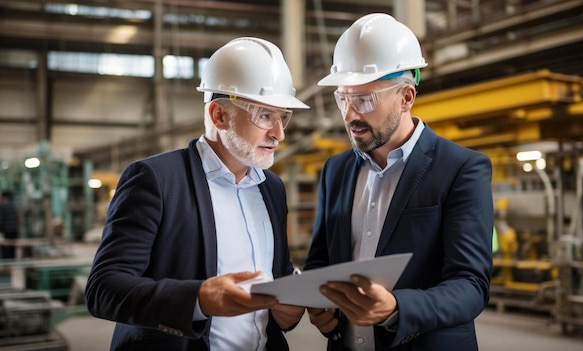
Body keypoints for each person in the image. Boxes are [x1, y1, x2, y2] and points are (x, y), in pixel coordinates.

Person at [85, 37, 309, 350]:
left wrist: (290, 309)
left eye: (283, 116)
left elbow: (279, 277)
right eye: (264, 115)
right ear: (219, 115)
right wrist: (199, 299)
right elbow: (103, 289)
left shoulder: (271, 188)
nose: (279, 134)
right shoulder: (157, 180)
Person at [304, 13, 494, 351]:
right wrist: (320, 302)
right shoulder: (335, 170)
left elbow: (470, 285)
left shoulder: (461, 169)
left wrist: (396, 308)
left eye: (364, 100)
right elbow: (321, 260)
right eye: (343, 99)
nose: (349, 115)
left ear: (406, 97)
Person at [0, 190, 19, 259]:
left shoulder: (2, 205)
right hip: (14, 231)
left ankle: (7, 268)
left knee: (5, 250)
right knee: (12, 250)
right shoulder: (13, 205)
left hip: (6, 231)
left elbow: (1, 220)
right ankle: (12, 265)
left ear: (3, 196)